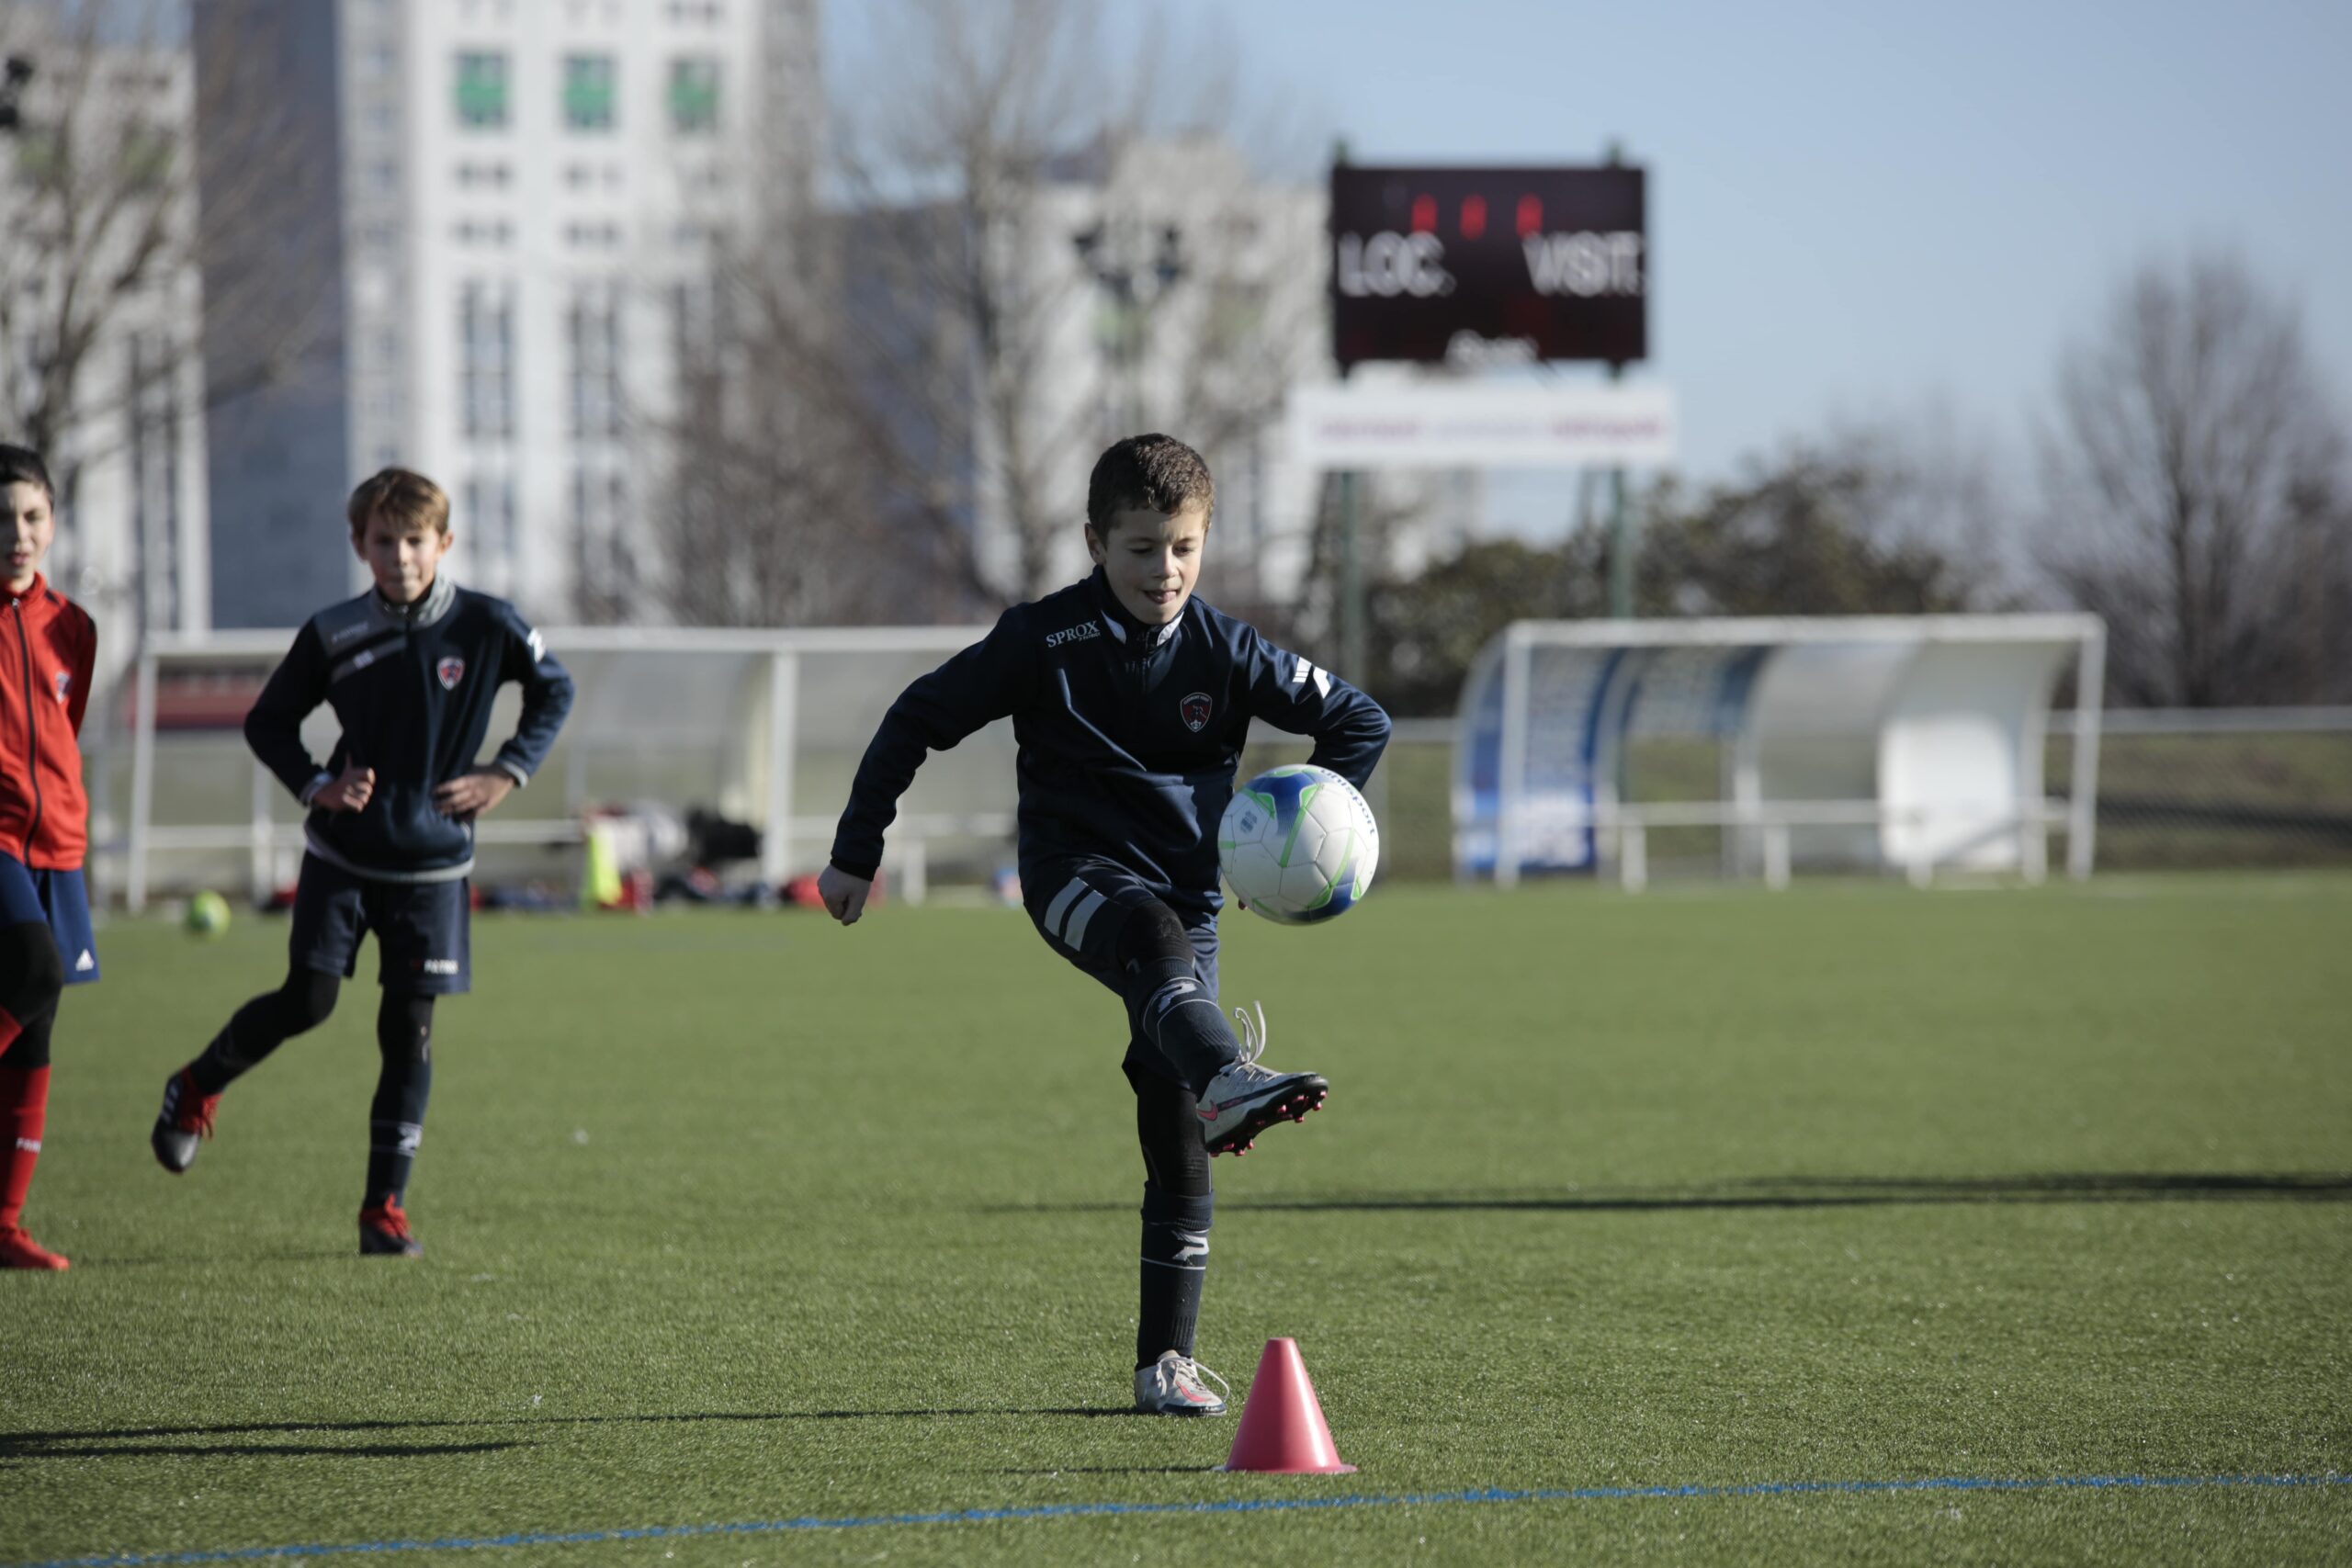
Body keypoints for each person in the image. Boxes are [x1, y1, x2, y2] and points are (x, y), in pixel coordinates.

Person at [818, 434, 1390, 1415]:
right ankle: (1229, 1077)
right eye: (1139, 548)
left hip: (1192, 899)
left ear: (1204, 539)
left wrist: (1288, 840)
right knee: (1150, 949)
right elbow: (916, 715)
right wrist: (855, 850)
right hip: (1072, 878)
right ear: (1094, 541)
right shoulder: (1042, 640)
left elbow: (1360, 721)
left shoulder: (1229, 649)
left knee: (1173, 1120)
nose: (1163, 571)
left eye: (1182, 547)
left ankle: (1162, 1365)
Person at [151, 468, 573, 1257]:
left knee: (408, 1031)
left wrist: (505, 771)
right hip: (343, 855)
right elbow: (267, 721)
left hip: (435, 866)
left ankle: (384, 1209)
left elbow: (554, 689)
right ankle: (196, 1085)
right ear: (359, 545)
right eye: (384, 541)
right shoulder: (335, 631)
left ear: (444, 544)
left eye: (416, 541)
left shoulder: (488, 623)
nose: (402, 556)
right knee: (309, 1002)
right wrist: (320, 784)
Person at [0, 446, 98, 1271]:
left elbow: (64, 732)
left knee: (37, 1029)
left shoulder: (74, 626)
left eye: (31, 516)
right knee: (35, 971)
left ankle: (3, 1225)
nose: (17, 533)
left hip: (56, 847)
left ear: (53, 523)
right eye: (2, 518)